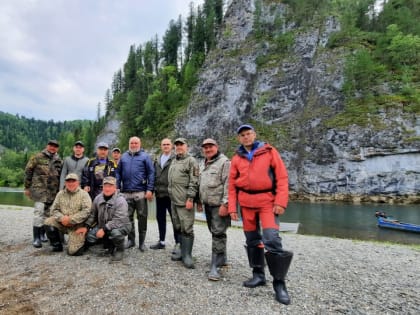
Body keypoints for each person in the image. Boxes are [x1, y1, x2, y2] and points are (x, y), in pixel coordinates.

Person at [228, 124, 293, 305]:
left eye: (248, 134)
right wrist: (232, 207)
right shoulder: (236, 158)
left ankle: (279, 284)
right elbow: (232, 185)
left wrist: (280, 202)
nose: (246, 137)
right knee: (252, 240)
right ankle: (258, 274)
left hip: (267, 202)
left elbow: (282, 177)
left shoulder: (269, 152)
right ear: (239, 138)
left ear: (254, 135)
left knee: (271, 238)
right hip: (246, 204)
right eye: (242, 135)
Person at [197, 138, 231, 280]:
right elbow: (201, 183)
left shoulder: (225, 162)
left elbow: (229, 185)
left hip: (219, 204)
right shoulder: (203, 163)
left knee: (218, 233)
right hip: (207, 204)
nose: (208, 149)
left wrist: (226, 204)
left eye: (210, 147)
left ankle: (215, 266)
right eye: (205, 147)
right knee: (214, 231)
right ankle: (222, 258)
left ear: (216, 147)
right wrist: (199, 201)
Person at [79, 176, 131, 262]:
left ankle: (120, 249)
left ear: (115, 187)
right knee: (90, 237)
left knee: (115, 233)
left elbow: (118, 220)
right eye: (105, 186)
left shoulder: (121, 200)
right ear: (102, 187)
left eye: (110, 186)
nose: (107, 189)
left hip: (121, 225)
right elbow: (92, 215)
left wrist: (104, 229)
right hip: (104, 226)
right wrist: (86, 226)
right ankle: (108, 244)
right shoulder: (98, 198)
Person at [115, 136, 154, 251]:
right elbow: (118, 173)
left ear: (140, 144)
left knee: (142, 217)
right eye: (131, 143)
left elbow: (151, 173)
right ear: (129, 144)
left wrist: (150, 189)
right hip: (126, 192)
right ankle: (131, 240)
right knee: (128, 217)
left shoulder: (145, 157)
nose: (133, 145)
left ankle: (142, 243)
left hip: (141, 192)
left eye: (136, 143)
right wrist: (117, 187)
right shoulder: (123, 157)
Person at [24, 139, 62, 248]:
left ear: (57, 148)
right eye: (51, 145)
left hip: (52, 192)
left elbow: (60, 176)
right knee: (38, 213)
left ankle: (43, 234)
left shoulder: (59, 160)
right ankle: (36, 238)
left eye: (55, 146)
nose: (53, 147)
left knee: (48, 214)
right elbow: (28, 171)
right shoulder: (37, 157)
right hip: (39, 191)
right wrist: (27, 187)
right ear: (47, 145)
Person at [168, 138, 199, 269]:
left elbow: (194, 181)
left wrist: (190, 199)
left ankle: (187, 256)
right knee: (178, 227)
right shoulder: (174, 160)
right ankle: (181, 252)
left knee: (187, 228)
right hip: (174, 201)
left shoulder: (191, 161)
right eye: (177, 145)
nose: (179, 147)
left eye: (181, 145)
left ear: (187, 146)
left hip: (185, 201)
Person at [44, 173, 92, 254]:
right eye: (68, 181)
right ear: (65, 183)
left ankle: (84, 241)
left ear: (78, 182)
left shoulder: (84, 194)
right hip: (63, 223)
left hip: (77, 226)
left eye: (73, 181)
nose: (71, 183)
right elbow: (53, 210)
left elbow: (87, 211)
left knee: (73, 252)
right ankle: (57, 245)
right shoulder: (60, 194)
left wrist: (70, 219)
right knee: (48, 222)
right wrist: (62, 218)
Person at [150, 138, 180, 251]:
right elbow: (153, 176)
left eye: (168, 144)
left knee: (175, 220)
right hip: (159, 194)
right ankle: (161, 242)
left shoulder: (176, 158)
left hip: (172, 195)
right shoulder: (157, 159)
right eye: (164, 144)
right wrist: (152, 190)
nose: (166, 146)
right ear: (161, 146)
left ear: (171, 146)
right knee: (160, 218)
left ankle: (178, 243)